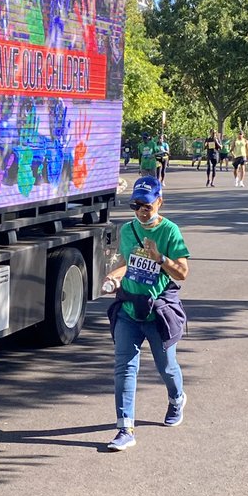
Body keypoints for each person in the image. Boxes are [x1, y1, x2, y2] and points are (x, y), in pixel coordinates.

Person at [102, 175, 190, 452]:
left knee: (166, 366)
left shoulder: (170, 232)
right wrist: (113, 277)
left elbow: (183, 273)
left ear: (159, 202)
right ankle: (125, 428)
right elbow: (127, 263)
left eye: (147, 205)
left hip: (157, 312)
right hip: (129, 309)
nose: (141, 210)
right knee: (124, 369)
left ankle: (177, 399)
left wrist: (160, 259)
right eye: (136, 205)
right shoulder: (128, 231)